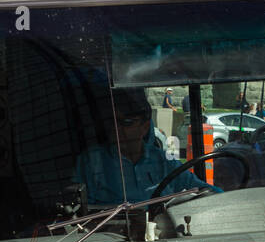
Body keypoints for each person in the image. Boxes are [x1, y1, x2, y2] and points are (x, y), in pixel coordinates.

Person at [74, 87, 215, 205]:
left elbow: (205, 191)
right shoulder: (91, 162)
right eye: (113, 122)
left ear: (145, 127)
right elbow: (80, 210)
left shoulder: (163, 162)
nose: (117, 129)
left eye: (127, 122)